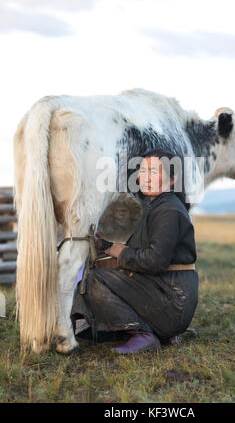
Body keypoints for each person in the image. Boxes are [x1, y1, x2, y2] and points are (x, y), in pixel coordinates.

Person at [71, 149, 199, 354]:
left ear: (173, 179)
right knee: (100, 274)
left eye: (154, 172)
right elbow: (143, 253)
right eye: (143, 171)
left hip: (173, 302)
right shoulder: (160, 205)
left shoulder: (169, 211)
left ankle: (143, 334)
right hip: (166, 294)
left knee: (95, 280)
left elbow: (154, 261)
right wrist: (106, 246)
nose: (146, 178)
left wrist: (121, 255)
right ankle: (158, 332)